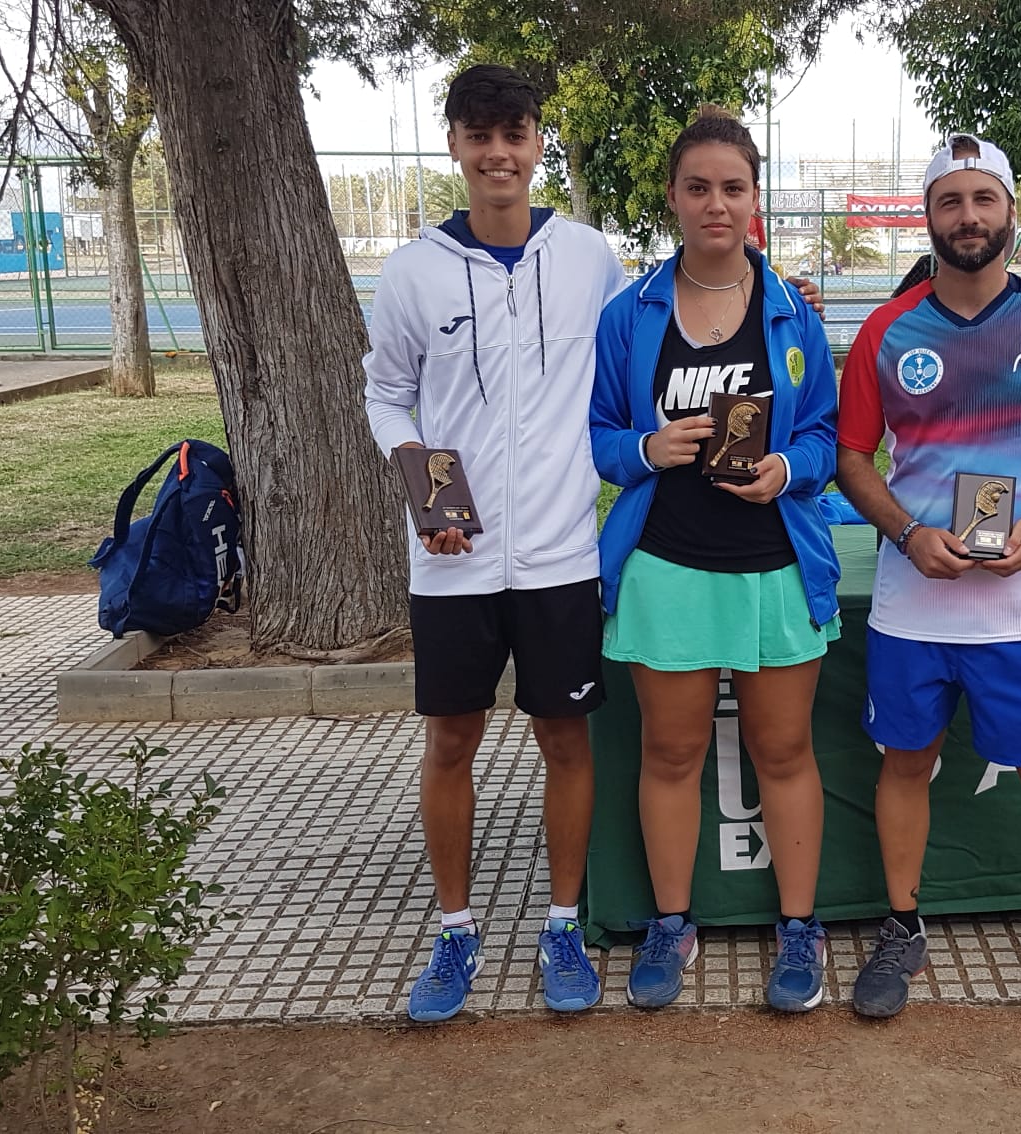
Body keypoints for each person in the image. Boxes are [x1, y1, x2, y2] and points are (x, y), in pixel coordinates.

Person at [834, 133, 1021, 1025]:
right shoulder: (886, 331)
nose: (968, 217)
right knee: (905, 764)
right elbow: (852, 457)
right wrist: (906, 532)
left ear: (1010, 211)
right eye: (950, 201)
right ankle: (901, 927)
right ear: (928, 217)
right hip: (914, 601)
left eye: (983, 199)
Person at [361, 64, 623, 1024]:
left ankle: (562, 925)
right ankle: (455, 931)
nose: (498, 155)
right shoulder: (413, 271)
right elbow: (387, 395)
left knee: (567, 739)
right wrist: (422, 488)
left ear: (538, 142)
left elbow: (642, 351)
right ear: (456, 147)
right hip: (453, 558)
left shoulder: (589, 258)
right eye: (480, 137)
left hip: (560, 555)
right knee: (451, 740)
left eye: (514, 134)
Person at [589, 105, 843, 1014]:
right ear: (672, 196)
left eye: (733, 188)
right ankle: (671, 923)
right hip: (666, 566)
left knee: (783, 750)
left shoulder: (792, 313)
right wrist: (644, 450)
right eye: (697, 187)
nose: (716, 205)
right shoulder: (630, 317)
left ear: (755, 198)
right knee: (670, 751)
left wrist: (787, 470)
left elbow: (827, 438)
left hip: (775, 566)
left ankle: (800, 928)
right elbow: (598, 435)